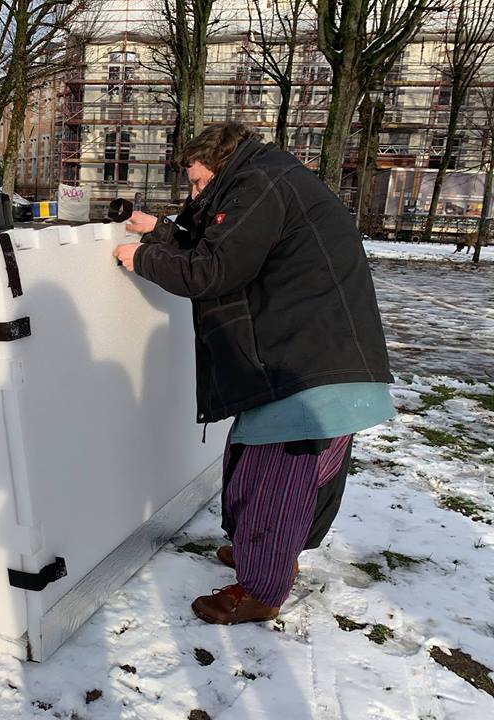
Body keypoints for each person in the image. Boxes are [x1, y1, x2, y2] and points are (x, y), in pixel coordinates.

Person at [113, 122, 395, 625]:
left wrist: (143, 257)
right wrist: (160, 230)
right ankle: (263, 555)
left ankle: (261, 591)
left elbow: (213, 269)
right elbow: (222, 242)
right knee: (259, 468)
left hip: (310, 368)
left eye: (199, 183)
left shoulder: (259, 185)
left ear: (223, 166)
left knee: (273, 481)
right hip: (316, 360)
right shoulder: (267, 178)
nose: (194, 194)